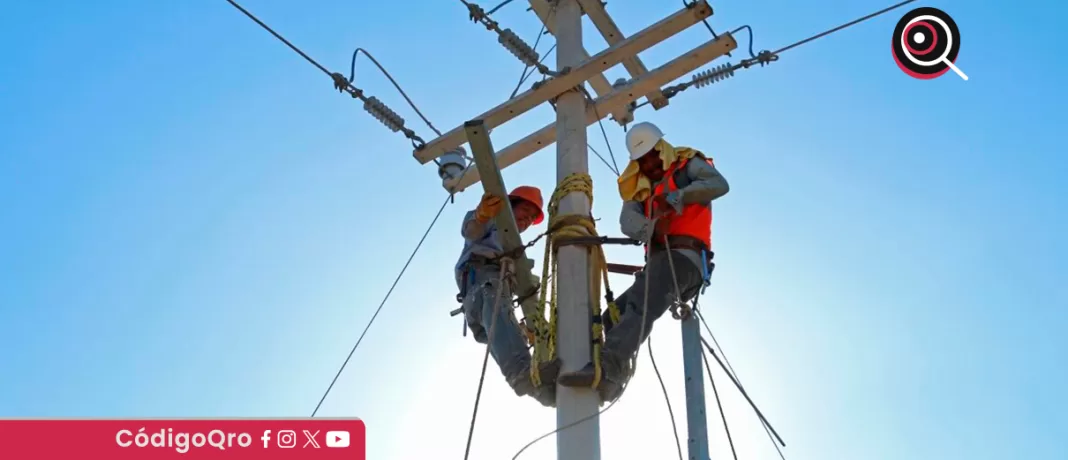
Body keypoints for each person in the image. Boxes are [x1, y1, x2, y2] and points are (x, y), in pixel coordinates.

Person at [557, 121, 730, 402]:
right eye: (642, 160)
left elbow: (718, 184)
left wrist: (675, 198)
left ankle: (609, 366)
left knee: (640, 304)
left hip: (685, 260)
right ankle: (611, 379)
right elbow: (628, 221)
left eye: (652, 156)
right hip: (660, 263)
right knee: (612, 318)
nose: (649, 164)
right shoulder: (638, 187)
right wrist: (649, 227)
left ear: (662, 150)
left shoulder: (688, 166)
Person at [455, 185, 559, 407]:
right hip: (481, 282)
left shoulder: (515, 251)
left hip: (493, 297)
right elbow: (471, 230)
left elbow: (528, 287)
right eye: (525, 212)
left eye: (532, 218)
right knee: (497, 310)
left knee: (504, 325)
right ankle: (522, 374)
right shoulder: (492, 219)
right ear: (512, 204)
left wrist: (534, 326)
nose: (527, 220)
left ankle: (542, 390)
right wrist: (482, 214)